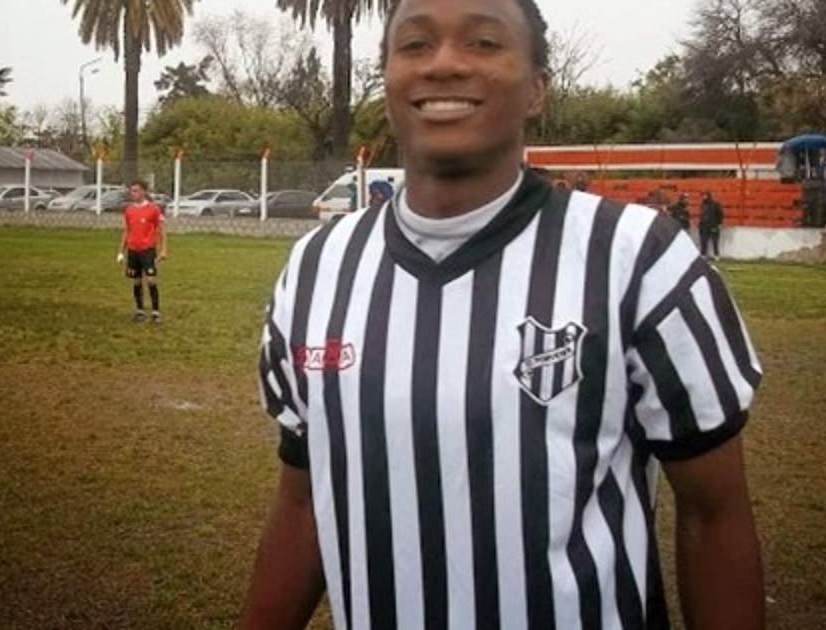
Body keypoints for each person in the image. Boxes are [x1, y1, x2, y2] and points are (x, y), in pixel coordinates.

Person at [241, 1, 766, 628]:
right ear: (387, 82)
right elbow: (305, 502)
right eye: (414, 45)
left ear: (537, 89)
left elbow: (714, 514)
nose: (443, 63)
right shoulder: (316, 268)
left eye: (484, 42)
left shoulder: (638, 258)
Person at [116, 180, 167, 323]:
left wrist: (163, 250)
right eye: (132, 191)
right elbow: (127, 231)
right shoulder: (129, 210)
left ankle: (155, 312)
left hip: (148, 250)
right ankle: (140, 311)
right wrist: (121, 252)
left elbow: (161, 230)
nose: (133, 193)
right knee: (137, 281)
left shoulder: (153, 209)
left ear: (144, 192)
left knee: (151, 280)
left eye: (136, 190)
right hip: (133, 250)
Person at [699, 190, 724, 259]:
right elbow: (702, 215)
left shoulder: (715, 204)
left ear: (708, 196)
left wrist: (718, 223)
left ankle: (716, 255)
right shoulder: (703, 204)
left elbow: (720, 214)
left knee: (715, 241)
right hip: (704, 226)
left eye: (705, 195)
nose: (703, 197)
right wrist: (701, 224)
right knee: (704, 241)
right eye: (703, 195)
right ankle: (703, 255)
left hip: (713, 225)